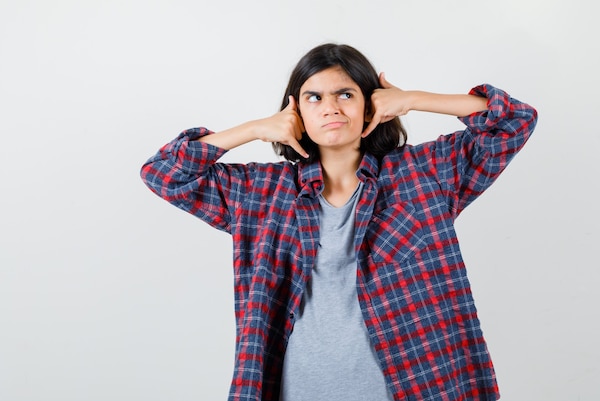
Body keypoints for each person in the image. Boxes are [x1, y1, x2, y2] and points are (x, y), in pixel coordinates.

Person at [140, 43, 538, 401]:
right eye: (314, 98)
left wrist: (413, 99)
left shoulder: (423, 174)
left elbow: (514, 121)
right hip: (299, 387)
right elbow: (163, 173)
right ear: (295, 112)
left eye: (345, 94)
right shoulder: (261, 193)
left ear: (370, 104)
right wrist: (252, 129)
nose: (330, 107)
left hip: (414, 384)